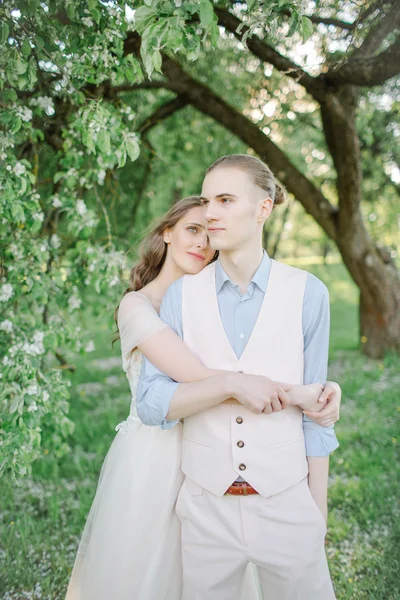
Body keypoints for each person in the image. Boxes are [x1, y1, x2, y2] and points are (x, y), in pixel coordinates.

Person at [65, 194, 341, 600]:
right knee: (149, 574)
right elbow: (200, 378)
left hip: (214, 450)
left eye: (209, 234)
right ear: (166, 233)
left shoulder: (210, 303)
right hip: (156, 455)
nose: (202, 244)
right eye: (192, 230)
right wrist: (296, 394)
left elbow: (253, 363)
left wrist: (321, 388)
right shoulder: (137, 306)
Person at [137, 155, 340, 599]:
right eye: (208, 201)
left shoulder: (308, 294)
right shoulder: (181, 297)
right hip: (206, 507)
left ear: (263, 208)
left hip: (286, 502)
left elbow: (318, 414)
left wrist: (315, 514)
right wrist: (227, 385)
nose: (210, 213)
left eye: (226, 200)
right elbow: (151, 402)